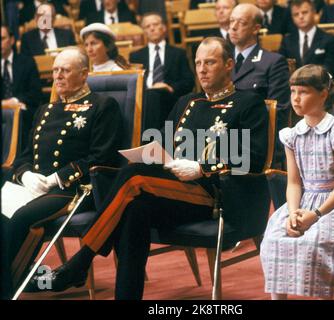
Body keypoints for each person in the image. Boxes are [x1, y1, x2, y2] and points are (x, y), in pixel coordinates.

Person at [26, 37, 269, 300]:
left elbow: (251, 159)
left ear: (229, 64)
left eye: (209, 62)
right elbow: (162, 147)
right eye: (198, 63)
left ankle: (80, 262)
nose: (201, 69)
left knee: (133, 176)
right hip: (173, 190)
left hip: (215, 194)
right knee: (133, 209)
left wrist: (201, 167)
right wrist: (153, 154)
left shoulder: (248, 103)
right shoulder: (186, 102)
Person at [0, 47, 123, 300]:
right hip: (34, 186)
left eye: (65, 70)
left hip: (74, 189)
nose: (58, 76)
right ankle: (16, 279)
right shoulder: (45, 110)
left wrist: (57, 178)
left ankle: (6, 287)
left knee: (22, 218)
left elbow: (101, 158)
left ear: (84, 74)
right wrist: (25, 175)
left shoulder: (102, 106)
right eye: (55, 70)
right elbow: (24, 155)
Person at [260, 64, 334, 300]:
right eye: (293, 91)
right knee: (273, 239)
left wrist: (316, 214)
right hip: (303, 200)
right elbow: (294, 183)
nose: (296, 99)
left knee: (314, 244)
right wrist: (293, 212)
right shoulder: (291, 135)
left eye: (304, 92)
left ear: (323, 94)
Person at [229, 3, 290, 136]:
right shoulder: (221, 61)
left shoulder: (273, 62)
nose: (233, 27)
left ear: (256, 28)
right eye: (232, 21)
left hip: (254, 139)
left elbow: (278, 112)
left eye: (241, 23)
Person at [130, 12, 194, 129]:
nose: (152, 28)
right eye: (148, 26)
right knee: (150, 97)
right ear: (144, 31)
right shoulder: (135, 56)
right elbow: (132, 83)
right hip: (145, 98)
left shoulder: (178, 53)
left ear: (164, 27)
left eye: (155, 24)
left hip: (170, 98)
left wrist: (170, 87)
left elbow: (189, 81)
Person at [1, 25, 42, 149]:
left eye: (2, 38)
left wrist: (14, 101)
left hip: (24, 109)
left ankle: (15, 161)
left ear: (12, 40)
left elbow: (35, 93)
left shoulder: (27, 62)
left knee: (18, 116)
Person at [280, 0, 334, 77]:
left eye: (304, 12)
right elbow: (282, 68)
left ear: (314, 12)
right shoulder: (287, 41)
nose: (300, 16)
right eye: (296, 14)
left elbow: (331, 68)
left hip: (319, 85)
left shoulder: (329, 39)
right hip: (293, 86)